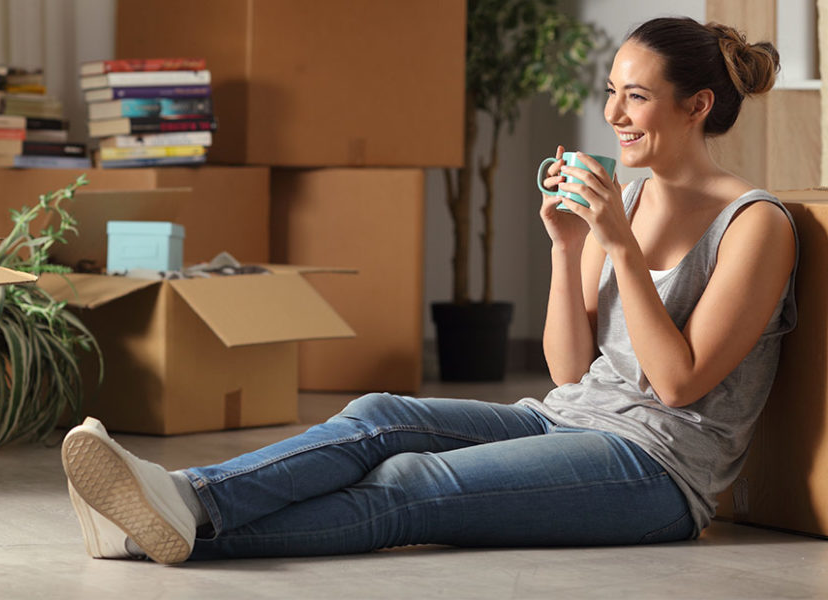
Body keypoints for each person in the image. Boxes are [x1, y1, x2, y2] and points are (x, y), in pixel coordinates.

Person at [61, 16, 798, 564]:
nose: (612, 116)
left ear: (697, 106)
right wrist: (565, 248)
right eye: (611, 92)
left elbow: (675, 384)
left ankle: (149, 530)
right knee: (381, 416)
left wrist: (618, 248)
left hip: (658, 472)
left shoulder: (755, 225)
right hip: (568, 418)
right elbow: (570, 372)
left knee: (411, 484)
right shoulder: (631, 203)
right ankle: (181, 500)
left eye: (635, 97)